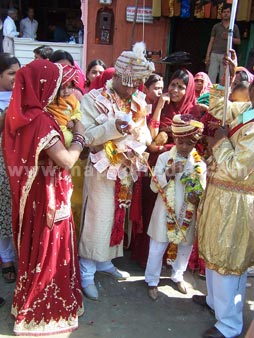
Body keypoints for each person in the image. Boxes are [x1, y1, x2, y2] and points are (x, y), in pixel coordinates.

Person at [2, 59, 85, 335]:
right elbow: (66, 160)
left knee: (39, 248)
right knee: (51, 251)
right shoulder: (41, 121)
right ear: (44, 87)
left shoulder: (24, 113)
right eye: (60, 86)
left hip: (36, 195)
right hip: (49, 195)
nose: (64, 92)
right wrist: (80, 138)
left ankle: (28, 303)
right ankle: (44, 312)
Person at [78, 41, 155, 301]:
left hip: (126, 170)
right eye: (129, 82)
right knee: (97, 221)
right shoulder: (92, 100)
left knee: (116, 220)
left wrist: (139, 140)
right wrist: (114, 127)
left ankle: (105, 262)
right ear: (118, 76)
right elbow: (86, 137)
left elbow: (144, 131)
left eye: (137, 84)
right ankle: (86, 272)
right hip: (100, 171)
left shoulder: (138, 100)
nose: (132, 89)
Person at [193, 51, 254, 338]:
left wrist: (218, 142)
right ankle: (215, 305)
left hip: (237, 198)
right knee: (214, 251)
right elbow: (219, 107)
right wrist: (227, 77)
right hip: (219, 194)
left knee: (228, 260)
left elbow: (237, 168)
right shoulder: (248, 110)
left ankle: (229, 325)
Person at [145, 114, 206, 300]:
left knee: (185, 247)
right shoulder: (164, 159)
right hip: (164, 211)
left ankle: (178, 275)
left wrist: (197, 194)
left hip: (187, 211)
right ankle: (152, 280)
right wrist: (169, 174)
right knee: (157, 246)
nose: (185, 147)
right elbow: (153, 186)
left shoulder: (199, 164)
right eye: (181, 143)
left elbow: (202, 191)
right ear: (175, 139)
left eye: (190, 144)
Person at [0, 53, 20, 284]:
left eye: (18, 73)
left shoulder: (23, 96)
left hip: (21, 161)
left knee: (18, 209)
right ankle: (6, 259)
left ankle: (20, 255)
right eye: (11, 73)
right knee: (4, 211)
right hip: (2, 161)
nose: (16, 78)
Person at [47, 64, 82, 147]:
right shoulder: (50, 100)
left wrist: (73, 120)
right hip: (55, 129)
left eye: (69, 87)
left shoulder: (73, 99)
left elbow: (77, 113)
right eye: (62, 88)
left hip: (70, 127)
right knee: (68, 139)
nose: (66, 91)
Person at [205, 3, 241, 84]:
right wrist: (207, 56)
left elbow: (239, 41)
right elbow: (211, 41)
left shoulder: (233, 27)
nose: (226, 14)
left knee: (223, 78)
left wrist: (229, 37)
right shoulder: (216, 26)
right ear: (221, 14)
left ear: (231, 14)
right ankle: (210, 95)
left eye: (228, 12)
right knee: (211, 78)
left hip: (226, 56)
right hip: (214, 54)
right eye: (224, 12)